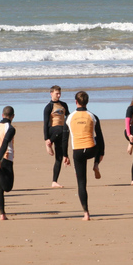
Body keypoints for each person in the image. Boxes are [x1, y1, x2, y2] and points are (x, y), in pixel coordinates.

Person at [65, 91, 105, 220]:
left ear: (76, 101)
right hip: (92, 150)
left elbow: (65, 139)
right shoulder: (93, 116)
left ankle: (86, 213)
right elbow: (101, 138)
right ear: (87, 102)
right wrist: (101, 154)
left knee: (81, 183)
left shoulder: (70, 117)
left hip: (77, 151)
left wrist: (65, 155)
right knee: (96, 139)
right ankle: (96, 165)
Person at [43, 85, 70, 188]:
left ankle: (54, 181)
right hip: (53, 130)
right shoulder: (48, 107)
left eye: (59, 93)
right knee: (60, 128)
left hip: (62, 132)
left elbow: (69, 116)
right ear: (51, 94)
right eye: (56, 93)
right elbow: (45, 124)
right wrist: (46, 139)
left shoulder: (64, 105)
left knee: (58, 158)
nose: (58, 95)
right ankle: (49, 143)